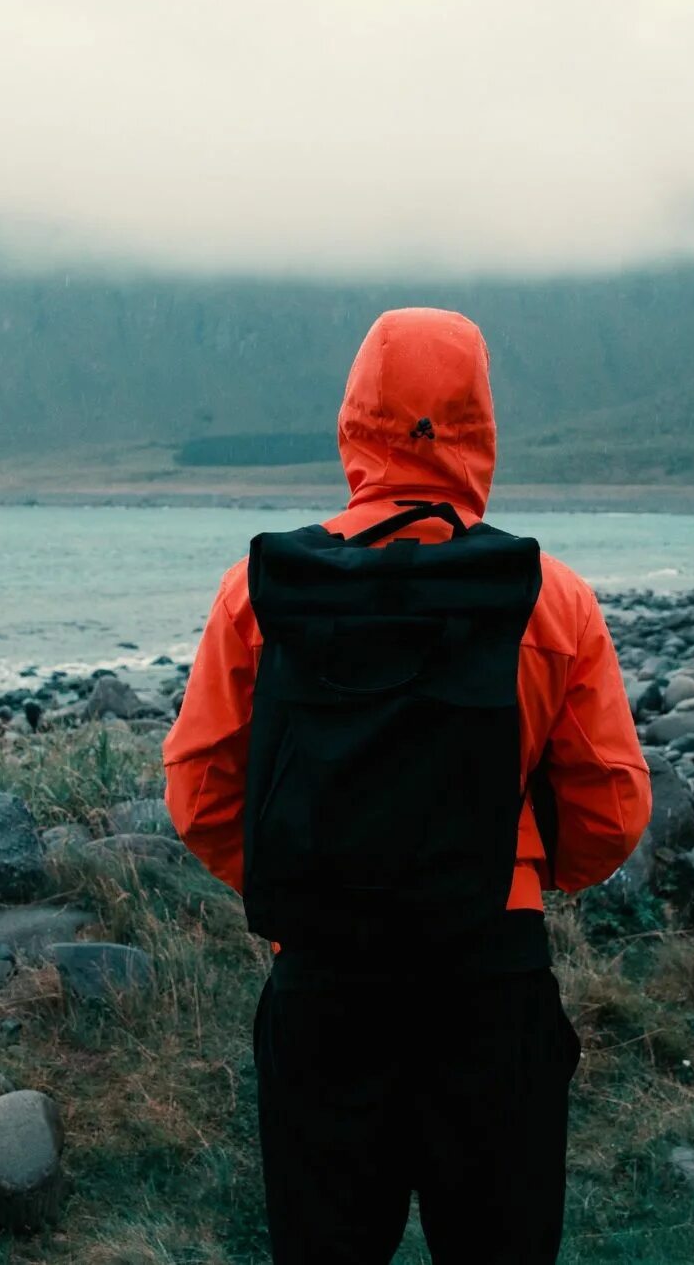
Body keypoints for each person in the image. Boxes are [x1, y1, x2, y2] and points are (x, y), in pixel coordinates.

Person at [166, 306, 652, 1265]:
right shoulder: (549, 595)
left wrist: (297, 885)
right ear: (481, 425)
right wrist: (524, 872)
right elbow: (610, 811)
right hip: (491, 977)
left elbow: (200, 793)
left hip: (325, 977)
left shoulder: (261, 589)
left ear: (355, 419)